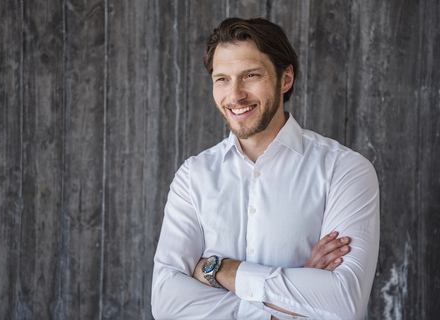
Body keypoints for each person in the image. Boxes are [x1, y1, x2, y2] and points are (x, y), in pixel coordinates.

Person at [151, 17, 379, 320]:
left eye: (251, 75)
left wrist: (219, 269)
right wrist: (292, 301)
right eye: (222, 79)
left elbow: (343, 302)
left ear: (285, 79)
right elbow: (166, 302)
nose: (234, 95)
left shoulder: (345, 171)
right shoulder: (193, 177)